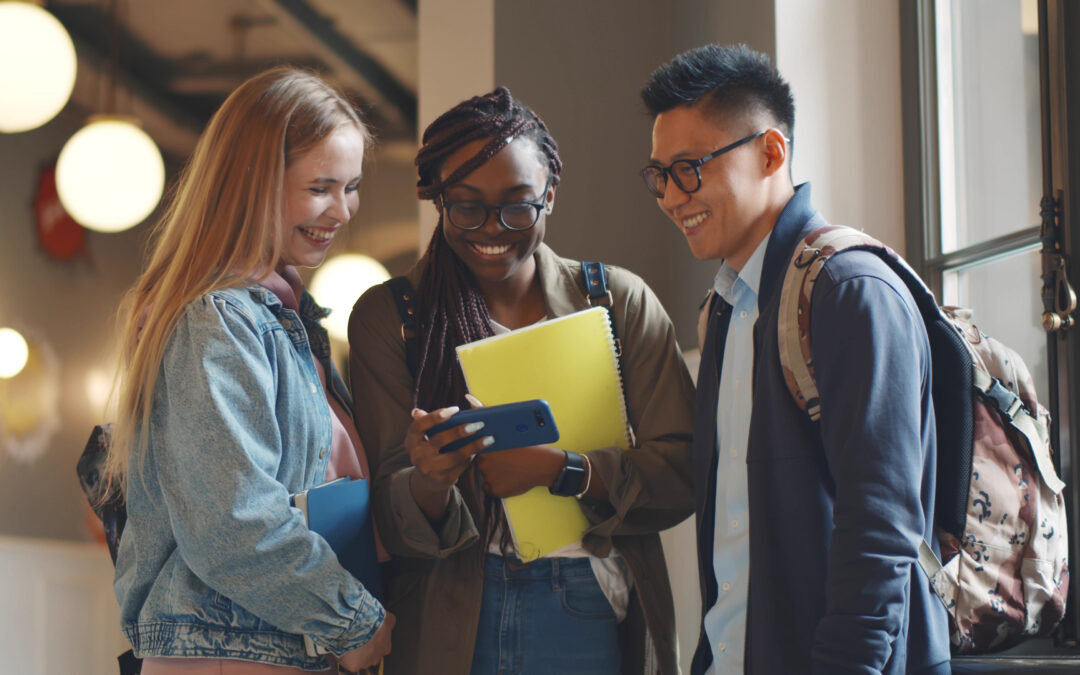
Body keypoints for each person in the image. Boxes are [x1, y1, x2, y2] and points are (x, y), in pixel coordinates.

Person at [347, 87, 695, 675]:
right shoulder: (393, 317)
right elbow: (386, 513)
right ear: (437, 200)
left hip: (585, 598)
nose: (492, 228)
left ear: (550, 196)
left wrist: (565, 470)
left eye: (517, 206)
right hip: (449, 616)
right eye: (466, 206)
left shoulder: (617, 302)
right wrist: (431, 481)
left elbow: (684, 472)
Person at [640, 45, 951, 674]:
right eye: (658, 175)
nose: (672, 197)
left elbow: (881, 532)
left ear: (770, 152)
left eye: (689, 169)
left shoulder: (848, 291)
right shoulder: (724, 309)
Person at [106, 66, 393, 674]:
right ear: (253, 183)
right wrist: (354, 621)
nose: (343, 211)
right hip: (237, 652)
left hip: (283, 644)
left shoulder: (287, 319)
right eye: (321, 187)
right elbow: (233, 525)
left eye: (353, 186)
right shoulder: (217, 319)